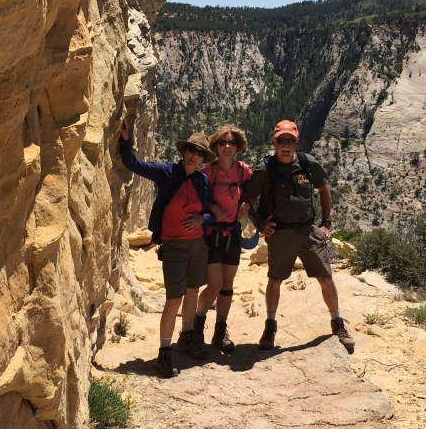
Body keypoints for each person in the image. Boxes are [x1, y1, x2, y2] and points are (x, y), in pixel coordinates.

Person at [241, 120, 355, 354]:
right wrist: (260, 223)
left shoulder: (308, 164)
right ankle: (270, 326)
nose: (285, 145)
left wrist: (326, 222)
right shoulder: (265, 169)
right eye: (281, 140)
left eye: (290, 141)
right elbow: (247, 199)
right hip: (280, 232)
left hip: (307, 230)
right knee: (275, 279)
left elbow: (324, 189)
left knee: (326, 277)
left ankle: (337, 323)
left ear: (296, 142)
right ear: (274, 142)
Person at [119, 119, 218, 377]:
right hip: (174, 245)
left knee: (193, 291)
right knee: (174, 298)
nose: (194, 156)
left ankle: (187, 337)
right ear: (184, 151)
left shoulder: (201, 181)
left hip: (198, 244)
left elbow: (209, 213)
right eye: (191, 151)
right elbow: (132, 164)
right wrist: (126, 140)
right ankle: (164, 353)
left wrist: (201, 219)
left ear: (203, 159)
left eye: (199, 154)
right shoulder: (166, 172)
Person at [194, 124, 253, 353]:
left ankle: (220, 331)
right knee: (214, 284)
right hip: (212, 234)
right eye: (223, 142)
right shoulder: (209, 172)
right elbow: (198, 199)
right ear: (216, 146)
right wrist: (212, 208)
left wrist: (248, 203)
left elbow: (252, 192)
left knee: (227, 287)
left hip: (233, 234)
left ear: (237, 147)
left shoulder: (243, 171)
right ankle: (197, 326)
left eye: (231, 143)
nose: (227, 146)